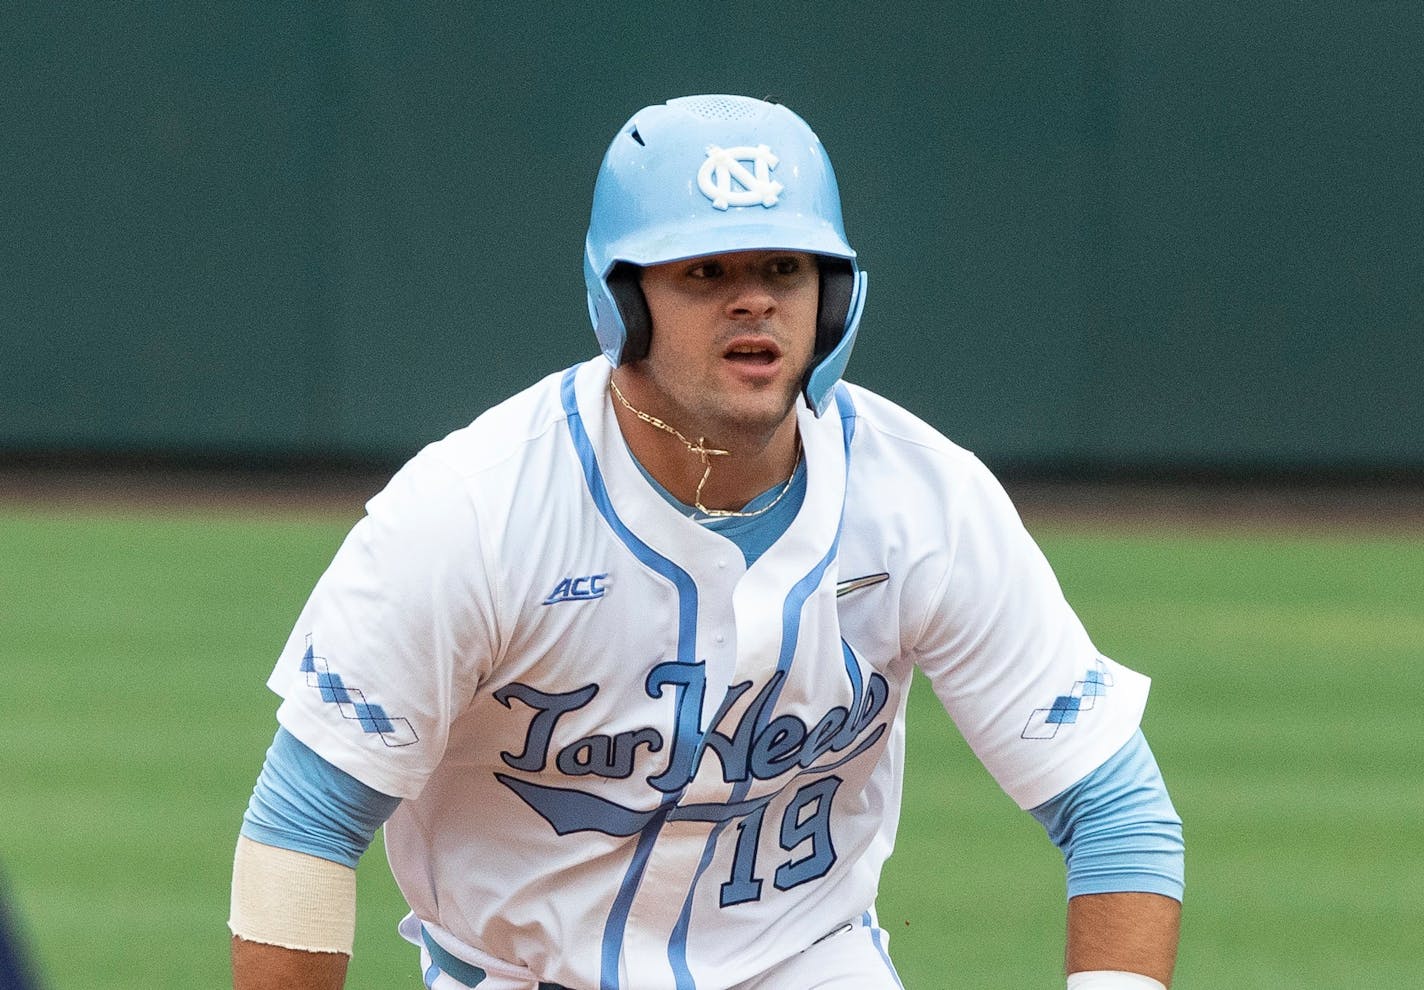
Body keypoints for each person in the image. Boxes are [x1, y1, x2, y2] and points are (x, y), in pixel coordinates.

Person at [229, 94, 1183, 990]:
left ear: (834, 299)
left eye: (783, 268)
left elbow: (1117, 815)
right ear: (624, 302)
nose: (755, 303)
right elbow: (304, 829)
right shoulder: (473, 511)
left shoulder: (924, 500)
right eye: (706, 271)